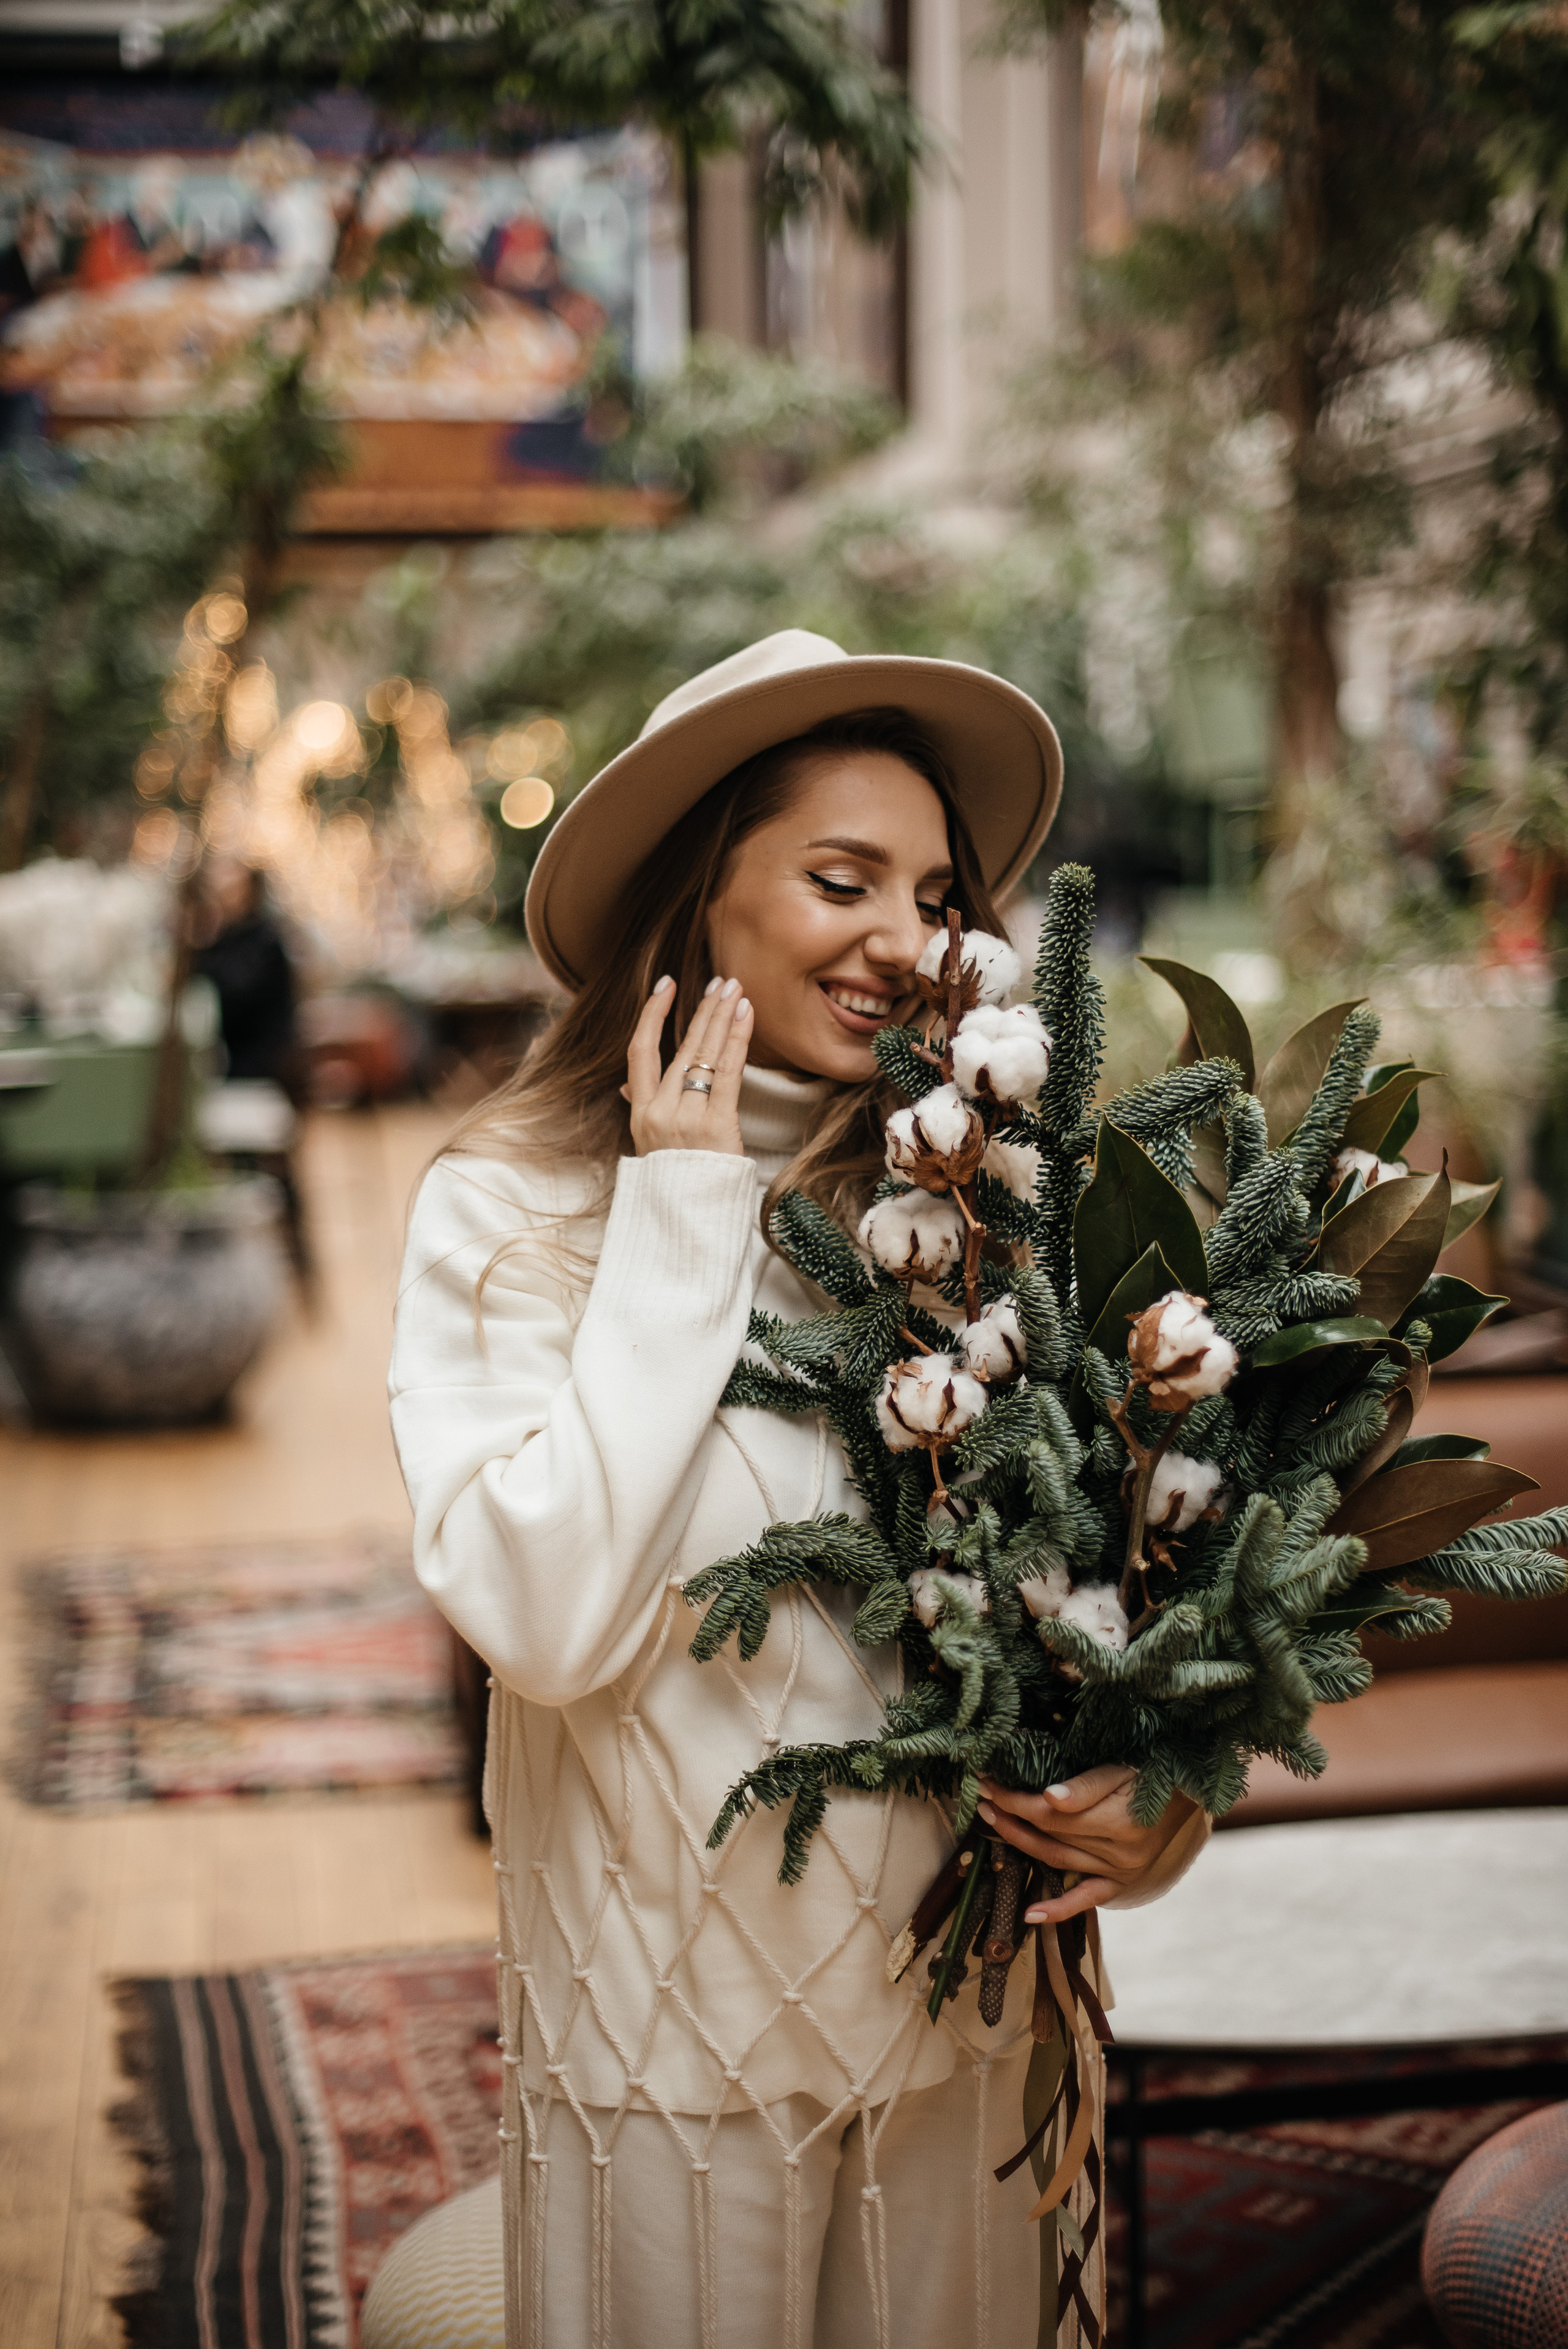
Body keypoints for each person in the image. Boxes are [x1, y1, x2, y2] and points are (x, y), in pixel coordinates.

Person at [371, 632, 1210, 2349]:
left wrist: (1165, 1792)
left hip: (982, 2024)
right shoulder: (511, 1212)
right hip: (672, 2047)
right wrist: (684, 1217)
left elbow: (1118, 1576)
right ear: (702, 891)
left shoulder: (992, 1205)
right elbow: (543, 1617)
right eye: (843, 879)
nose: (904, 941)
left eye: (932, 893)